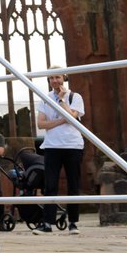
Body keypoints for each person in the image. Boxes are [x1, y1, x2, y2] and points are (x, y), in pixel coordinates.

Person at [35, 72, 86, 235]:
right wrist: (63, 120)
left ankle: (73, 223)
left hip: (73, 145)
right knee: (50, 185)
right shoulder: (45, 98)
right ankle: (47, 223)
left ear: (64, 78)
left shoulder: (75, 97)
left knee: (73, 184)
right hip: (52, 146)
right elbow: (41, 124)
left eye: (57, 77)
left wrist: (62, 99)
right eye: (51, 78)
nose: (54, 80)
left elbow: (72, 117)